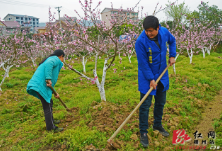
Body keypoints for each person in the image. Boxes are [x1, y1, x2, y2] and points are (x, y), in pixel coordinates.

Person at [135, 16, 176, 147]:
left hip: (162, 73)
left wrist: (172, 55)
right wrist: (151, 79)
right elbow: (143, 63)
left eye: (151, 30)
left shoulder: (164, 32)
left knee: (160, 102)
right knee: (145, 105)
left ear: (158, 28)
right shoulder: (140, 42)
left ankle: (157, 125)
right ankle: (143, 132)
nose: (148, 33)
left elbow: (173, 41)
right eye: (146, 30)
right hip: (147, 76)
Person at [27, 49, 65, 133]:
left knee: (49, 102)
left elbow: (49, 85)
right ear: (61, 56)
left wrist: (54, 92)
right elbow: (49, 64)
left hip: (39, 85)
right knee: (47, 106)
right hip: (39, 85)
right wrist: (48, 78)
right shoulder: (55, 59)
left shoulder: (50, 59)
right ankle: (51, 128)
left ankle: (51, 121)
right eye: (63, 58)